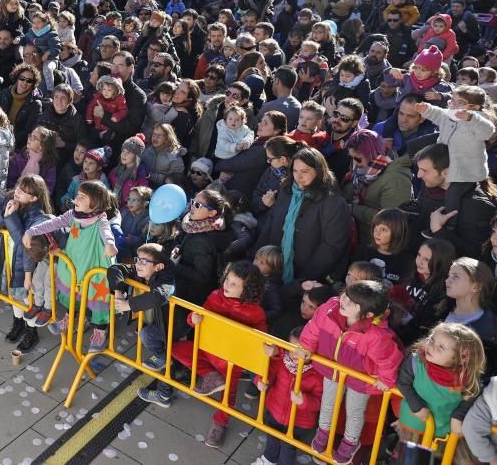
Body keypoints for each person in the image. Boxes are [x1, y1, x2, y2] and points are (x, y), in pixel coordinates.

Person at [301, 280, 404, 465]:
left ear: (369, 314)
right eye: (346, 296)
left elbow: (388, 359)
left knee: (355, 411)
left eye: (352, 302)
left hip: (360, 378)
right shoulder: (330, 309)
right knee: (328, 402)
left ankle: (350, 442)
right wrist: (306, 346)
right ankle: (323, 431)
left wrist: (386, 379)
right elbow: (314, 327)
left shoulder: (375, 335)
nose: (344, 301)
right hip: (333, 368)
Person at [167, 261, 269, 448]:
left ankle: (219, 424)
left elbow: (259, 343)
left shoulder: (256, 313)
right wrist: (193, 318)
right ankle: (211, 376)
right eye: (227, 280)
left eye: (233, 284)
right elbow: (199, 314)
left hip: (232, 361)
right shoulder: (216, 296)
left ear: (248, 289)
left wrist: (261, 371)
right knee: (175, 349)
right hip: (207, 351)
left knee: (227, 398)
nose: (226, 285)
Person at [23, 181, 119, 352]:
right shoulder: (72, 215)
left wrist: (110, 245)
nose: (76, 199)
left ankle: (100, 332)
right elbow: (54, 223)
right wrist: (32, 231)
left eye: (82, 197)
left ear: (95, 203)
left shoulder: (100, 220)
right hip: (75, 263)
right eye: (77, 195)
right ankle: (69, 319)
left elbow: (107, 234)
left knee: (98, 301)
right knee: (72, 293)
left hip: (94, 266)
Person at [254, 148, 351, 300]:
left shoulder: (334, 203)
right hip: (273, 272)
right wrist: (256, 259)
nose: (298, 176)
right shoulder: (286, 191)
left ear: (319, 171)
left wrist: (302, 281)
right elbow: (271, 224)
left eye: (305, 171)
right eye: (295, 170)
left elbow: (332, 247)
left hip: (308, 282)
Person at [395, 322, 485, 463]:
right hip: (415, 425)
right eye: (432, 340)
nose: (431, 346)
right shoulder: (416, 361)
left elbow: (473, 394)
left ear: (463, 357)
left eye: (441, 347)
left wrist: (459, 416)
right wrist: (416, 406)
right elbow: (402, 383)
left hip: (445, 431)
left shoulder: (466, 377)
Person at [0, 174, 57, 352]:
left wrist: (11, 217)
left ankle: (30, 331)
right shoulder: (10, 201)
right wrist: (5, 214)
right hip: (8, 258)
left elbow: (24, 244)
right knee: (15, 296)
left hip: (27, 265)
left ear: (34, 198)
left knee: (27, 299)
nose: (17, 191)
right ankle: (17, 322)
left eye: (24, 191)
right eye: (19, 186)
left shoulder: (40, 217)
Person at [415, 86, 495, 230]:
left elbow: (487, 131)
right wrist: (426, 109)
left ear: (475, 107)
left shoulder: (478, 119)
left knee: (453, 194)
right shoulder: (450, 114)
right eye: (453, 100)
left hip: (466, 171)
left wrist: (471, 118)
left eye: (461, 102)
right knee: (426, 178)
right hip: (445, 164)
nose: (454, 104)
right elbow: (438, 114)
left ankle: (450, 224)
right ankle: (418, 206)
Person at [250, 328, 324, 465]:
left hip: (300, 421)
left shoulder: (317, 375)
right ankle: (268, 458)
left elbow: (320, 402)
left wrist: (304, 400)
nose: (295, 354)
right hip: (275, 410)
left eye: (302, 351)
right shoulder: (282, 361)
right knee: (272, 435)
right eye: (292, 348)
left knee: (288, 446)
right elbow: (267, 373)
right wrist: (260, 381)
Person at [110, 242, 176, 374]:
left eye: (144, 261)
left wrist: (128, 304)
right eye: (138, 259)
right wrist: (118, 294)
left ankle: (164, 358)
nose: (138, 264)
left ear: (158, 267)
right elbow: (115, 269)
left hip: (172, 327)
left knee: (147, 335)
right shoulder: (143, 269)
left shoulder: (167, 279)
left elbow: (158, 296)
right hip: (159, 322)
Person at [343, 129, 413, 248]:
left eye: (358, 158)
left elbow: (390, 220)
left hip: (379, 246)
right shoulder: (362, 171)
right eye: (352, 157)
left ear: (373, 154)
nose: (354, 163)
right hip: (359, 237)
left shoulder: (396, 180)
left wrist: (352, 209)